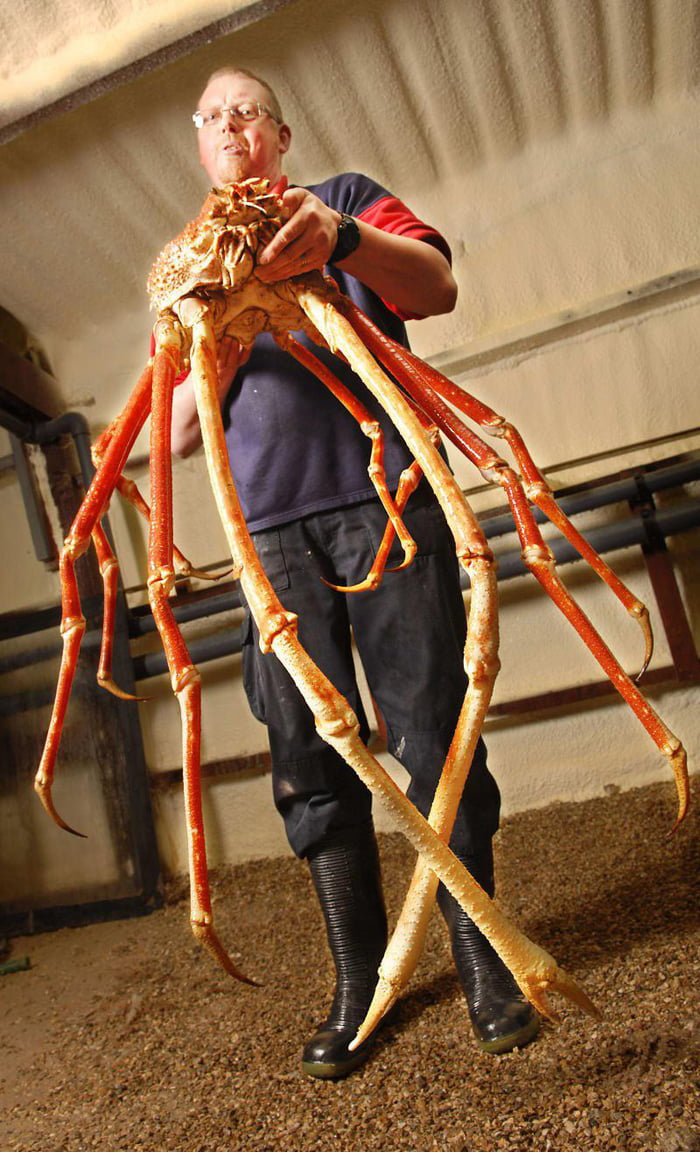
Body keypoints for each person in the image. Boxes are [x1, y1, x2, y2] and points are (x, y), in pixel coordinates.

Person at [171, 66, 538, 1078]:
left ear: (279, 135)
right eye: (212, 117)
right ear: (201, 146)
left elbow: (435, 284)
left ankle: (485, 959)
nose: (230, 127)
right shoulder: (191, 257)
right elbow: (177, 428)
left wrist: (338, 243)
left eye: (247, 111)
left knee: (434, 728)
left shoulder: (338, 200)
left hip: (389, 503)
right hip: (268, 539)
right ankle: (356, 979)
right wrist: (212, 333)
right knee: (304, 756)